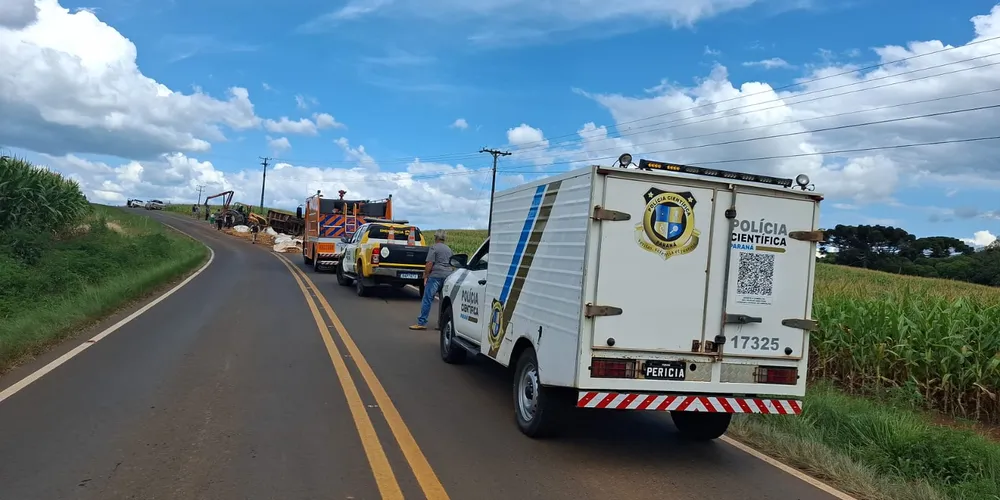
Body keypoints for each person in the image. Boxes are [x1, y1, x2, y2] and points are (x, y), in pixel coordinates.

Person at [410, 230, 453, 330]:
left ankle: (421, 322)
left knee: (427, 299)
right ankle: (441, 324)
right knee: (443, 302)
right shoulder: (449, 249)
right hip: (447, 276)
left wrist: (426, 276)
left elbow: (429, 263)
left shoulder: (434, 247)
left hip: (436, 276)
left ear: (436, 237)